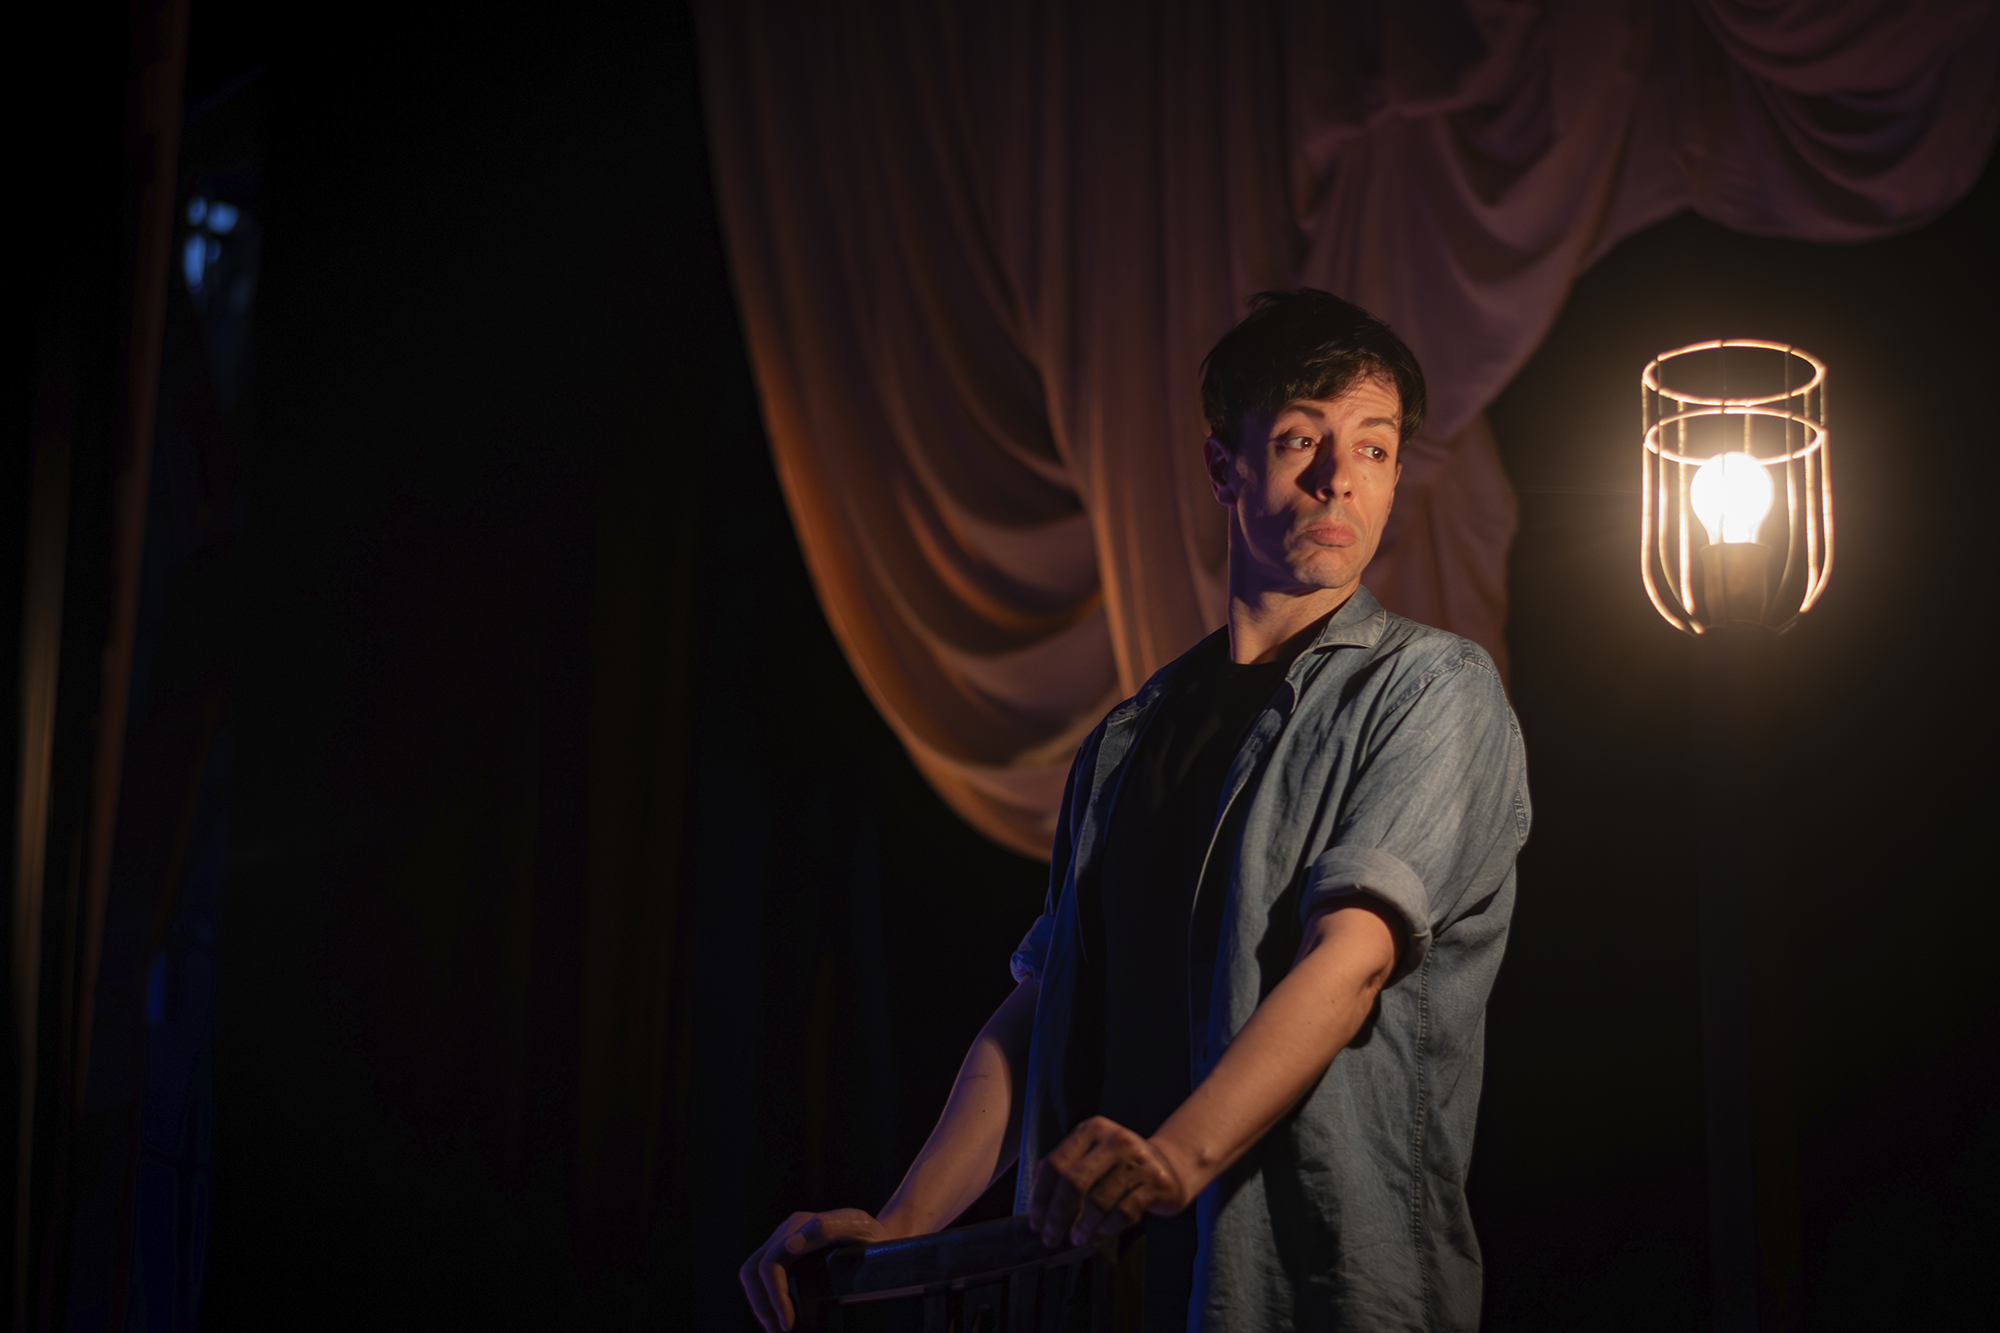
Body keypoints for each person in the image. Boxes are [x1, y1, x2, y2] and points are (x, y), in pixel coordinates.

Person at [740, 290, 1530, 1332]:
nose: (1340, 475)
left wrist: (1169, 1159)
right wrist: (898, 1228)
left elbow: (1351, 959)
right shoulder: (1126, 738)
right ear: (1223, 468)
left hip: (1311, 1290)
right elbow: (1040, 1009)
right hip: (1101, 1290)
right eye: (1301, 439)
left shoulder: (1431, 689)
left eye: (1374, 448)